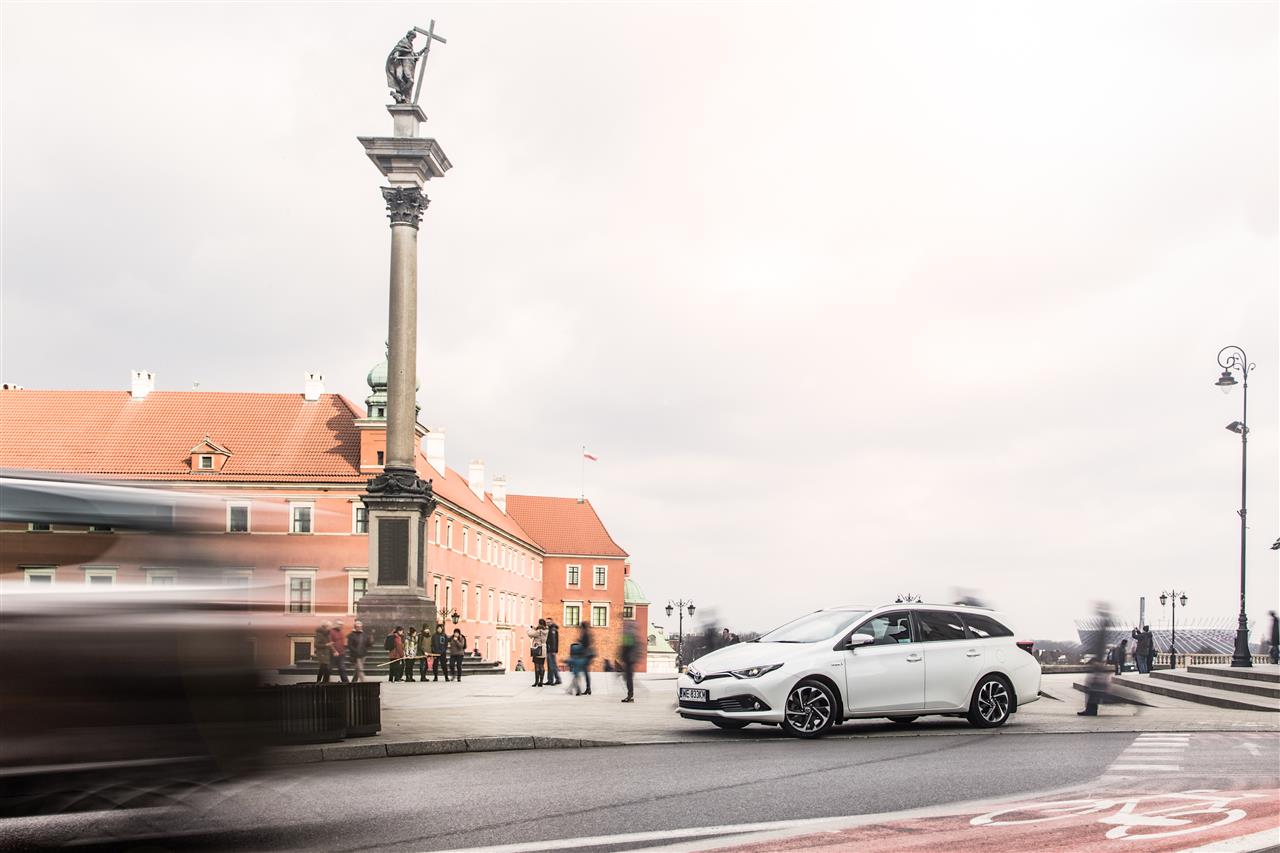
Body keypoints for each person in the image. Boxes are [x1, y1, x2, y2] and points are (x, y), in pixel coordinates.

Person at [619, 620, 639, 703]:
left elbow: (626, 648)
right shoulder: (632, 634)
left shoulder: (629, 635)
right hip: (630, 660)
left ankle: (630, 695)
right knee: (628, 678)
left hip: (628, 660)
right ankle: (630, 695)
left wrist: (622, 657)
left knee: (628, 678)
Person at [577, 621, 596, 696]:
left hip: (586, 655)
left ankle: (588, 688)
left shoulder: (585, 634)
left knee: (584, 672)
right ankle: (588, 688)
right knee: (585, 672)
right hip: (588, 655)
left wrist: (579, 641)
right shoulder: (588, 633)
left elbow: (585, 644)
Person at [528, 619, 548, 687]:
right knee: (542, 665)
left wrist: (529, 629)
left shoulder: (538, 631)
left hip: (537, 649)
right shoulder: (546, 630)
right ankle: (541, 682)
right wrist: (535, 628)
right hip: (544, 648)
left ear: (539, 624)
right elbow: (539, 631)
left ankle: (536, 682)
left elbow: (530, 634)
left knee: (536, 666)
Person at [545, 617, 562, 686]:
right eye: (546, 622)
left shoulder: (552, 630)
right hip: (550, 650)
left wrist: (553, 651)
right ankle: (551, 680)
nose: (547, 623)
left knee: (552, 666)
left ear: (552, 622)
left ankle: (556, 679)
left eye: (549, 622)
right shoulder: (550, 629)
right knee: (550, 665)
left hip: (551, 651)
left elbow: (553, 641)